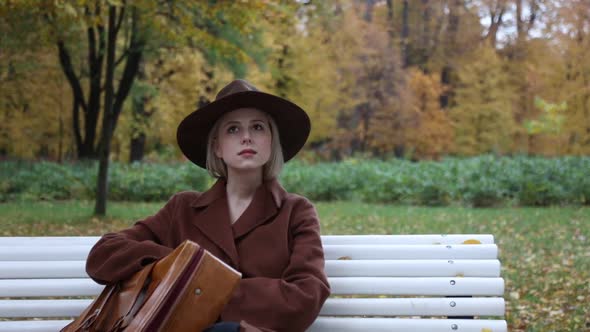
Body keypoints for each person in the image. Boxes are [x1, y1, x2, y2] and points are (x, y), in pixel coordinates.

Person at [86, 79, 331, 332]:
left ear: (271, 141)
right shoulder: (182, 209)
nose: (246, 137)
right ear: (217, 147)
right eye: (233, 129)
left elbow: (307, 295)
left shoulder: (296, 212)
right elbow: (103, 255)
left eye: (257, 127)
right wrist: (185, 265)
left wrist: (201, 288)